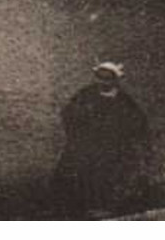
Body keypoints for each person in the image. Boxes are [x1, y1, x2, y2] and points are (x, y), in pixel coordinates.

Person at [51, 62, 149, 215]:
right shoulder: (86, 94)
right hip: (86, 143)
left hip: (112, 146)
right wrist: (80, 129)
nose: (103, 82)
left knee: (109, 174)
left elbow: (138, 121)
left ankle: (106, 208)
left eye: (107, 78)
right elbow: (68, 113)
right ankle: (73, 207)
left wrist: (121, 135)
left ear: (115, 80)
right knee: (75, 171)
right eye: (100, 77)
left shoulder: (124, 100)